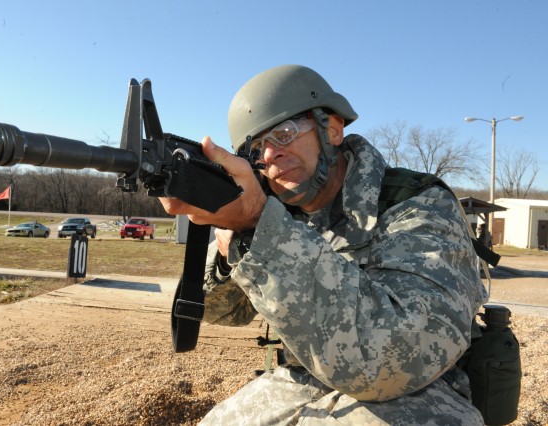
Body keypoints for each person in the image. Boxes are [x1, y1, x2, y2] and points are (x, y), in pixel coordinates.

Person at [160, 65, 488, 425]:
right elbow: (225, 313)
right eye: (257, 148)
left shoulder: (417, 204)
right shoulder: (274, 209)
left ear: (331, 129)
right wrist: (232, 247)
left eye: (283, 134)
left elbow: (399, 357)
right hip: (303, 380)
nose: (269, 156)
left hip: (419, 392)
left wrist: (259, 225)